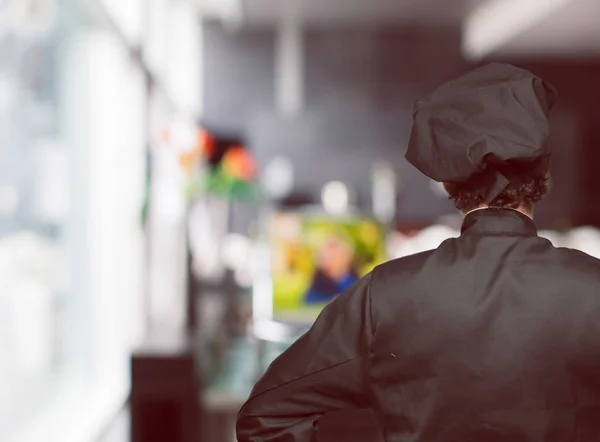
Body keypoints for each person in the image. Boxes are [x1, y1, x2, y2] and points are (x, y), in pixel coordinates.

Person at [236, 63, 600, 442]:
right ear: (543, 173)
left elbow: (266, 416)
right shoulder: (593, 289)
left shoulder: (385, 297)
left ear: (447, 179)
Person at [304, 236, 359, 305]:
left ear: (346, 256)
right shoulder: (317, 282)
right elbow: (308, 303)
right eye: (327, 255)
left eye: (335, 254)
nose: (330, 259)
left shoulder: (355, 280)